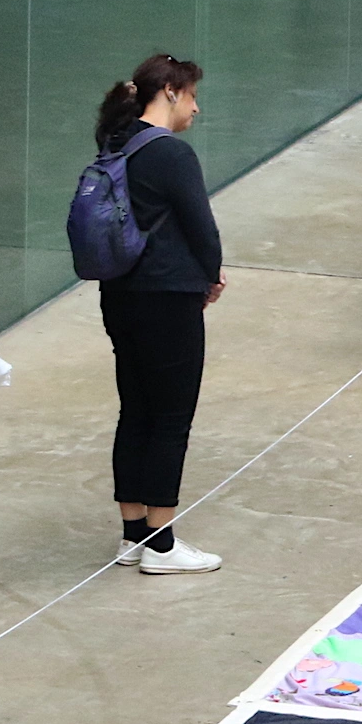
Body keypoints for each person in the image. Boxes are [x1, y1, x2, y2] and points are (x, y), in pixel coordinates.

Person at [95, 55, 226, 575]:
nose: (196, 107)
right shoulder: (171, 153)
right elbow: (202, 227)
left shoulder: (116, 143)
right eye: (192, 95)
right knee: (172, 415)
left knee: (136, 408)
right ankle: (163, 542)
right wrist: (212, 275)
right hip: (168, 296)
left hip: (120, 294)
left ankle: (132, 535)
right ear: (169, 92)